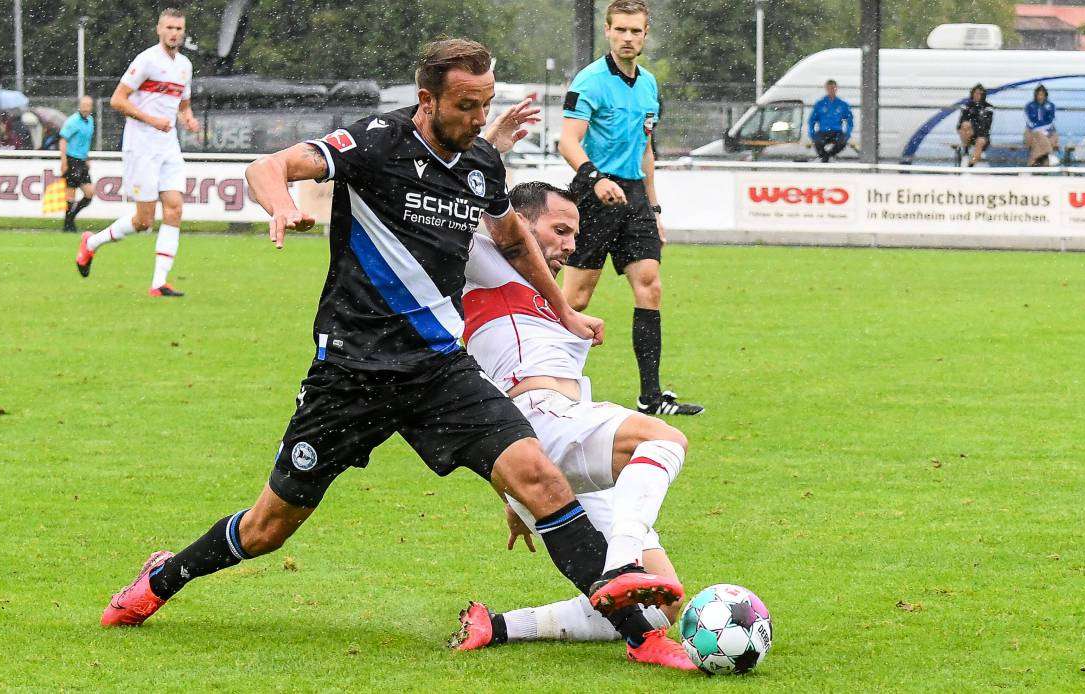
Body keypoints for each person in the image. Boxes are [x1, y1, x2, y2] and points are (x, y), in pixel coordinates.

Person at [99, 38, 683, 638]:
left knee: (539, 477)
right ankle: (163, 577)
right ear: (427, 99)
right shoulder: (378, 141)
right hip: (352, 371)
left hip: (439, 370)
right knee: (267, 528)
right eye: (465, 105)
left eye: (485, 104)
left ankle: (642, 637)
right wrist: (281, 205)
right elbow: (267, 166)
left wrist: (563, 310)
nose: (479, 119)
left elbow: (511, 239)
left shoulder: (481, 164)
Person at [448, 181, 694, 671]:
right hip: (544, 422)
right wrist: (492, 140)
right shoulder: (483, 262)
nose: (570, 245)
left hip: (558, 439)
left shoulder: (543, 293)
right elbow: (465, 188)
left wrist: (514, 493)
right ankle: (622, 563)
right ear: (516, 222)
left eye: (574, 235)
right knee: (664, 438)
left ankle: (495, 625)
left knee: (659, 610)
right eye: (559, 230)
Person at [557, 0, 703, 417]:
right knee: (577, 299)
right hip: (593, 194)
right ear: (607, 31)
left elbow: (646, 151)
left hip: (635, 196)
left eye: (635, 31)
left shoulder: (649, 85)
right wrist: (596, 178)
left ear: (645, 34)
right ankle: (543, 382)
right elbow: (567, 141)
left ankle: (651, 398)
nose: (627, 37)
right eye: (620, 30)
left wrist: (654, 209)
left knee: (650, 284)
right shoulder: (589, 81)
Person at [74, 7, 200, 297]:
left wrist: (188, 118)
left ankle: (159, 283)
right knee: (144, 221)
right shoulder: (146, 60)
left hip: (169, 146)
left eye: (179, 29)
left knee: (175, 207)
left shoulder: (185, 65)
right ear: (159, 29)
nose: (174, 33)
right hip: (141, 146)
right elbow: (118, 100)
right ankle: (91, 243)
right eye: (169, 28)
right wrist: (152, 119)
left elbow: (183, 104)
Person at [59, 96, 96, 232]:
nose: (86, 107)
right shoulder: (73, 121)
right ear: (80, 106)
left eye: (89, 105)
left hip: (81, 160)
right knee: (71, 194)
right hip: (72, 160)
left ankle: (70, 220)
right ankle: (68, 225)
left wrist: (86, 158)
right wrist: (64, 161)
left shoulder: (90, 121)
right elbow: (63, 140)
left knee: (90, 193)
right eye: (84, 105)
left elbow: (85, 142)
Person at [808, 79, 853, 163]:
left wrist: (848, 133)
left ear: (836, 88)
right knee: (817, 141)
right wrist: (811, 133)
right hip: (823, 131)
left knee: (842, 141)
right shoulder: (820, 104)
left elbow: (849, 120)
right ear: (826, 89)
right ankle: (825, 158)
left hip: (837, 132)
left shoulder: (842, 104)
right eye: (829, 88)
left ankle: (828, 156)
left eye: (833, 88)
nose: (831, 90)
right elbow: (812, 120)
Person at [957, 84, 993, 167]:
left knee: (980, 141)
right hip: (969, 135)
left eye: (980, 93)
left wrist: (974, 128)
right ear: (972, 93)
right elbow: (961, 123)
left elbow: (986, 125)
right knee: (965, 125)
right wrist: (970, 129)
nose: (977, 95)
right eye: (976, 93)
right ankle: (965, 152)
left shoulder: (988, 107)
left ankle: (970, 166)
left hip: (982, 135)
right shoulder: (967, 106)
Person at [1024, 84, 1058, 167]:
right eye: (1039, 94)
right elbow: (1029, 121)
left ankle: (1033, 162)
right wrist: (1038, 130)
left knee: (1041, 141)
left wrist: (1044, 131)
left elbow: (1050, 120)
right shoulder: (1030, 106)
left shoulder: (1050, 106)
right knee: (1038, 135)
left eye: (1042, 95)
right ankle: (1050, 154)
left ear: (1045, 95)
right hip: (1032, 131)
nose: (1040, 97)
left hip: (1047, 131)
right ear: (1035, 95)